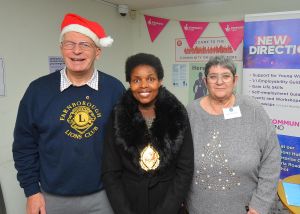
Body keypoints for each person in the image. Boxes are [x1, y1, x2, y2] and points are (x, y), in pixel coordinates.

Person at [12, 13, 125, 214]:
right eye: (69, 44)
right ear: (61, 48)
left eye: (85, 44)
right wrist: (31, 192)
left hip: (103, 197)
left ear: (97, 52)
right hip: (51, 199)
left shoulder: (114, 89)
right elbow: (24, 145)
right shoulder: (37, 91)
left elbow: (126, 142)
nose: (76, 51)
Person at [186, 56, 281, 214]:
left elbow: (272, 158)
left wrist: (260, 205)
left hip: (245, 209)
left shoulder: (253, 110)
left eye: (225, 76)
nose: (219, 82)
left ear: (235, 80)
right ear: (205, 81)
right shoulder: (191, 112)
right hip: (198, 208)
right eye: (213, 76)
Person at [102, 53, 194, 214]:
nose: (144, 85)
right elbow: (110, 171)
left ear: (160, 81)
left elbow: (185, 168)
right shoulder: (117, 115)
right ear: (129, 83)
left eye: (150, 79)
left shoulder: (177, 113)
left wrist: (167, 210)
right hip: (129, 203)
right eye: (136, 80)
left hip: (169, 203)